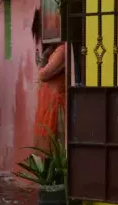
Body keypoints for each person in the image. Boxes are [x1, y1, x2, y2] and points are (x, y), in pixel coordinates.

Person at [32, 9, 66, 150]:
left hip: (56, 105)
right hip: (50, 105)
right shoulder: (58, 50)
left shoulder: (62, 50)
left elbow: (43, 74)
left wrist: (43, 59)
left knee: (55, 146)